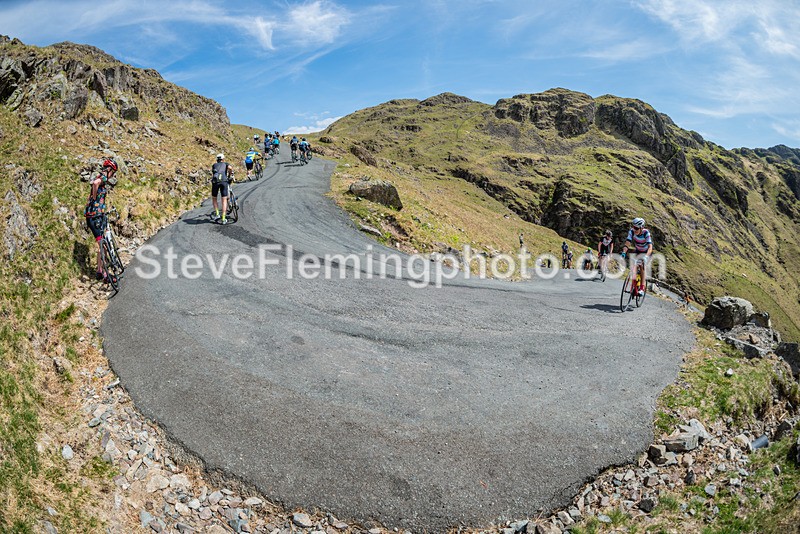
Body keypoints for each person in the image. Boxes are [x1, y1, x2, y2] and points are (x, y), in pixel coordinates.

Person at [85, 158, 118, 282]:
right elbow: (95, 183)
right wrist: (94, 198)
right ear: (109, 170)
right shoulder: (103, 177)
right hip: (94, 216)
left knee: (101, 244)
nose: (113, 176)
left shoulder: (102, 177)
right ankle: (105, 275)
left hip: (94, 216)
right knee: (103, 245)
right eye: (113, 173)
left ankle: (99, 271)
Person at [620, 217, 653, 295]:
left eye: (636, 228)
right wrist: (624, 252)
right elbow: (628, 242)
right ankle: (634, 287)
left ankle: (642, 288)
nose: (634, 229)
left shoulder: (646, 233)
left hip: (646, 252)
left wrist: (646, 257)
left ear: (642, 228)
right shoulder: (631, 231)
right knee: (634, 267)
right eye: (633, 227)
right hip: (638, 251)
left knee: (642, 266)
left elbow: (650, 247)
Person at [211, 153, 233, 224]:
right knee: (224, 200)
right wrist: (229, 175)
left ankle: (217, 214)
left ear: (217, 159)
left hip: (215, 182)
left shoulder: (214, 165)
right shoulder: (225, 164)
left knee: (214, 198)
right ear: (223, 159)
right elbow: (230, 168)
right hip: (224, 181)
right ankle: (223, 218)